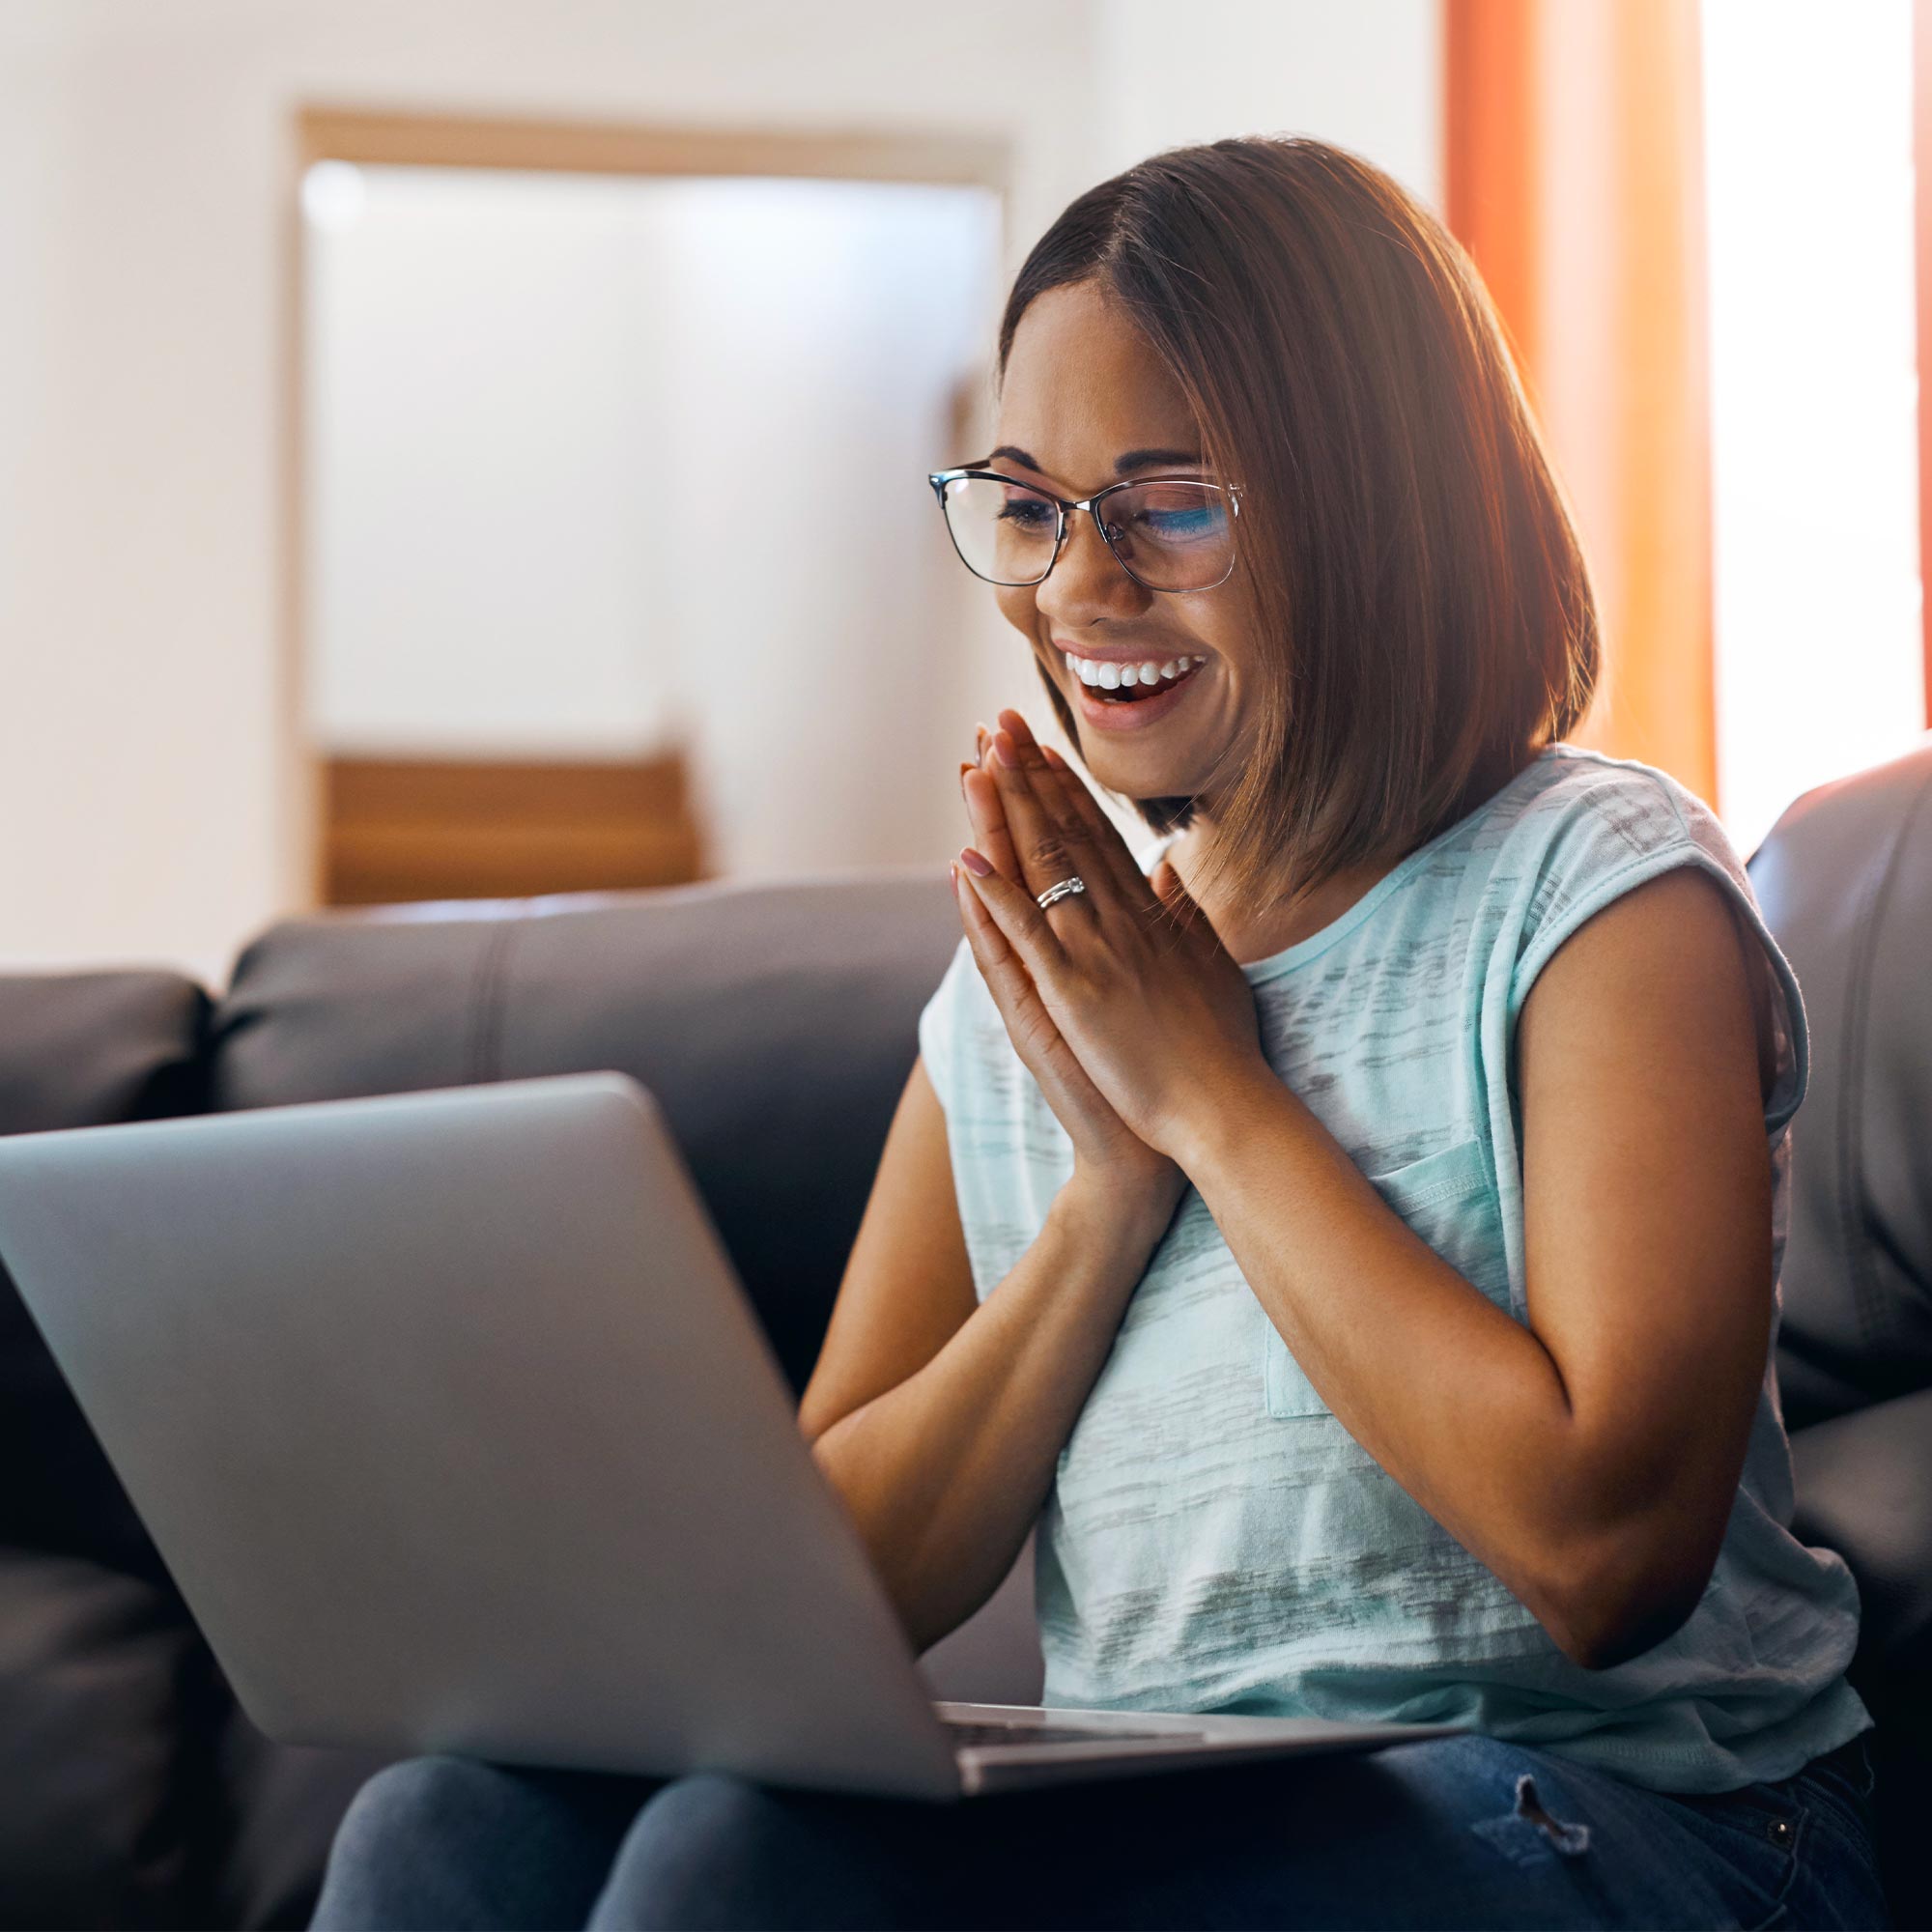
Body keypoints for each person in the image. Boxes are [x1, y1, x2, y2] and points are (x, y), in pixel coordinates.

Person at [311, 135, 1889, 1931]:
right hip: (1194, 1805)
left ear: (1377, 505)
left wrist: (1218, 1104)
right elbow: (836, 1586)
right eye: (1031, 502)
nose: (1074, 587)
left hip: (1633, 1818)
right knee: (440, 1829)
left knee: (742, 1871)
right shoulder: (1036, 999)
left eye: (1171, 505)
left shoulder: (1595, 889)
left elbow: (1602, 1555)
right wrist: (1103, 1201)